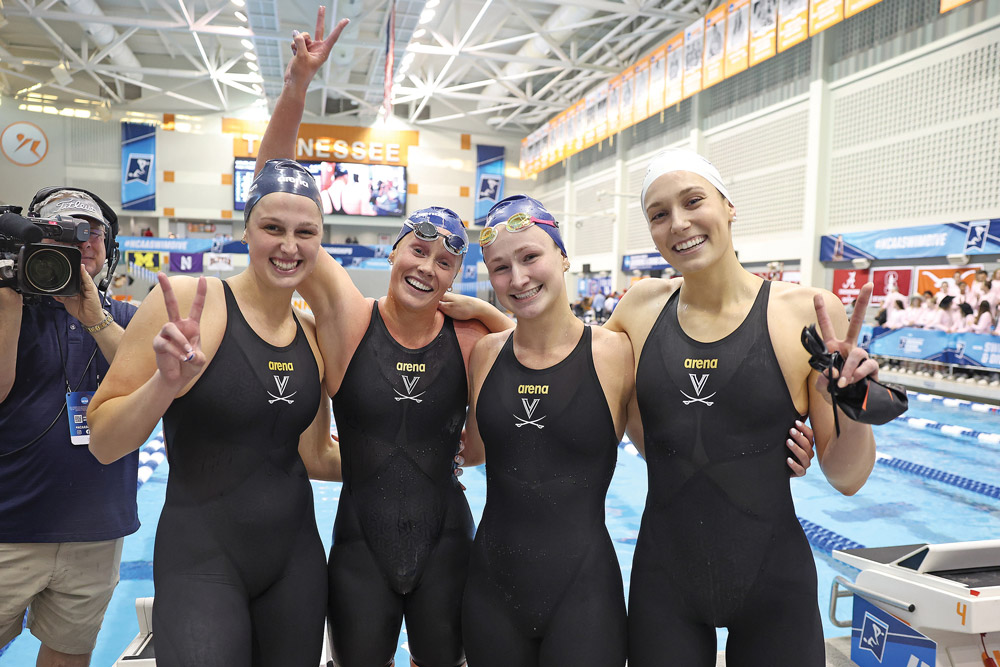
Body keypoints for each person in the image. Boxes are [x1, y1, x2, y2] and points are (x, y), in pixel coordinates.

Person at [460, 195, 818, 666]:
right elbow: (475, 449)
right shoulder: (484, 354)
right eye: (500, 267)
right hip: (490, 589)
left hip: (584, 595)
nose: (518, 277)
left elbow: (684, 425)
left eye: (531, 256)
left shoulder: (617, 353)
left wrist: (766, 448)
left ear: (564, 256)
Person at [257, 12, 512, 666]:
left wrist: (491, 311)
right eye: (417, 250)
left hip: (448, 543)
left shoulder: (469, 335)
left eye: (445, 262)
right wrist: (296, 86)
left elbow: (543, 356)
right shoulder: (348, 316)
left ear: (458, 273)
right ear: (394, 251)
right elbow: (273, 193)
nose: (427, 267)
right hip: (360, 548)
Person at [606, 149, 879, 666]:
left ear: (729, 206)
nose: (679, 223)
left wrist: (848, 403)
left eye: (693, 201)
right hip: (665, 583)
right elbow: (575, 372)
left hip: (774, 582)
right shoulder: (639, 309)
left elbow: (846, 478)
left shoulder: (804, 312)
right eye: (659, 214)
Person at [87, 158, 342, 666]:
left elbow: (316, 456)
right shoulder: (191, 305)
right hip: (201, 558)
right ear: (245, 231)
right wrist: (165, 383)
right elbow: (103, 440)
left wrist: (413, 460)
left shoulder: (313, 337)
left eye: (304, 232)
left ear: (319, 241)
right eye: (273, 228)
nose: (289, 246)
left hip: (295, 562)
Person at [0, 187, 136, 667]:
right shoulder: (7, 308)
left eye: (92, 231)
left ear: (109, 245)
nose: (83, 242)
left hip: (95, 532)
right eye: (63, 234)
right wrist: (9, 300)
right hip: (8, 527)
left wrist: (95, 318)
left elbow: (150, 384)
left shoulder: (126, 320)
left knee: (69, 657)